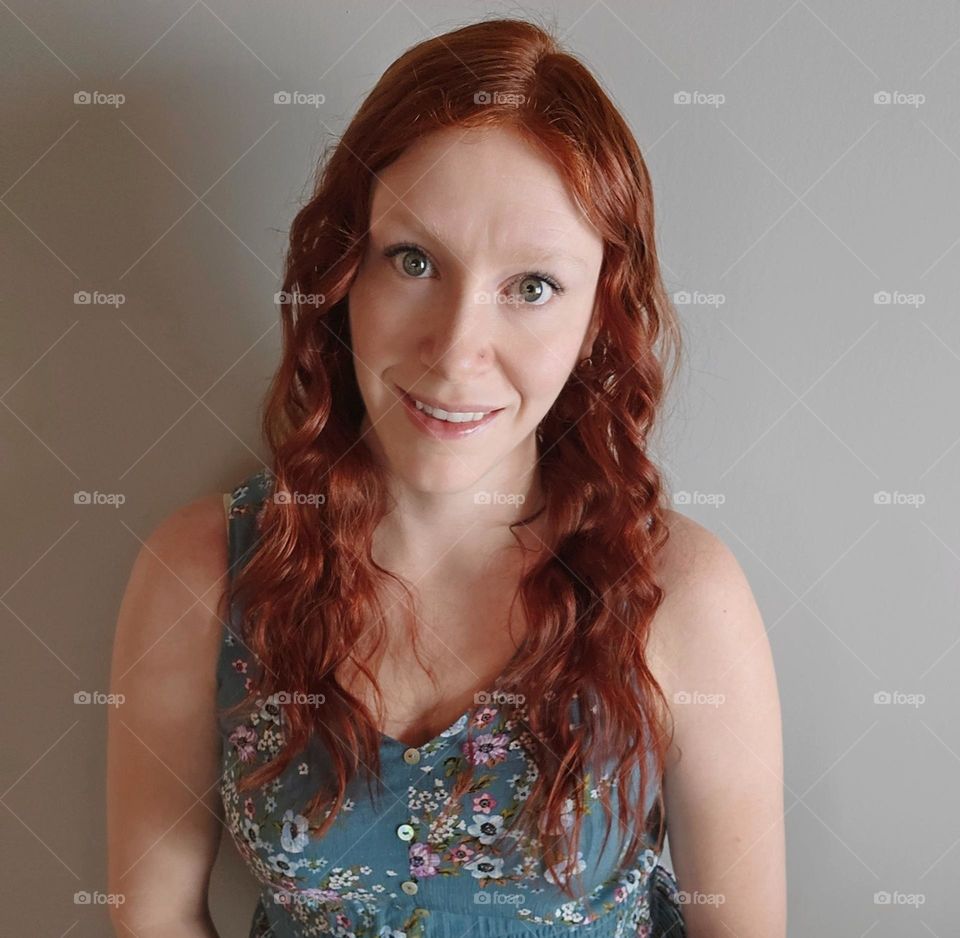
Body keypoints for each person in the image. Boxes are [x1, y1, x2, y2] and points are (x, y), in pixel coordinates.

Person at [107, 16, 785, 938]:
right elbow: (153, 920)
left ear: (599, 317)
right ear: (345, 269)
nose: (459, 351)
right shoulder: (205, 573)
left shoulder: (680, 596)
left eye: (533, 286)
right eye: (415, 261)